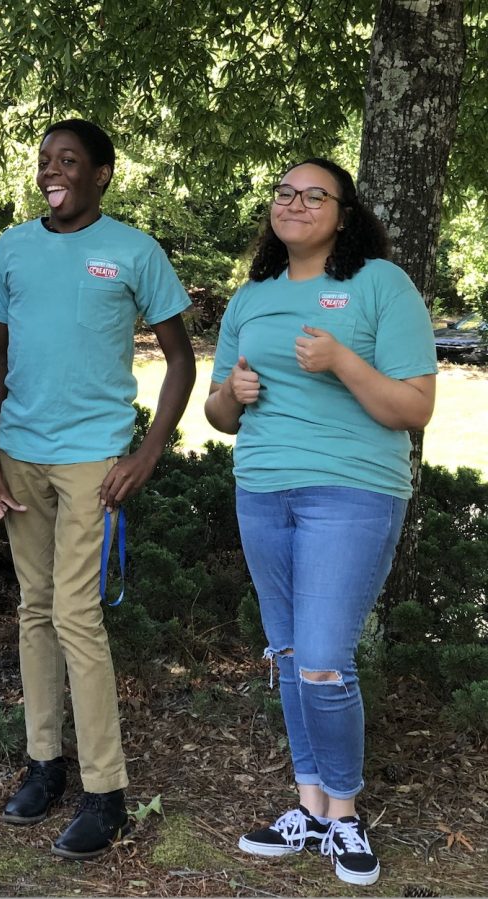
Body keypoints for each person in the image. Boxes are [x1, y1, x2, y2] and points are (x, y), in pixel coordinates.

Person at [205, 158, 437, 886]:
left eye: (314, 195)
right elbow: (217, 414)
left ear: (344, 211)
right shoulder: (252, 297)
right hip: (264, 489)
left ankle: (343, 814)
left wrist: (340, 360)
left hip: (354, 491)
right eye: (284, 192)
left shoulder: (379, 285)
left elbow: (415, 407)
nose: (295, 203)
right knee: (287, 653)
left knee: (324, 659)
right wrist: (234, 395)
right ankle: (306, 805)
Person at [0, 119, 197, 859]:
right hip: (20, 455)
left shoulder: (134, 250)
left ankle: (108, 794)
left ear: (103, 172)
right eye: (44, 160)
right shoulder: (12, 247)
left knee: (75, 615)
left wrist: (148, 451)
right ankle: (45, 765)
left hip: (94, 462)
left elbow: (179, 359)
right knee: (34, 609)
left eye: (68, 160)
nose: (52, 171)